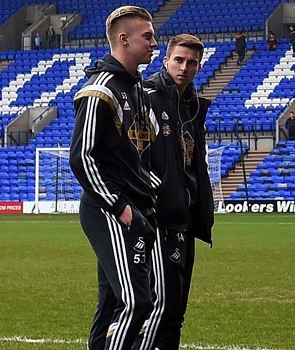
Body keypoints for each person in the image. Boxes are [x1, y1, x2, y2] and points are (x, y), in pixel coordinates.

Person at [69, 6, 159, 350]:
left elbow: (139, 158)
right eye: (147, 36)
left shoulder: (137, 90)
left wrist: (152, 194)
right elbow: (82, 156)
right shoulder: (100, 89)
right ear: (123, 39)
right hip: (110, 210)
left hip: (136, 209)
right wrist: (119, 206)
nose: (154, 43)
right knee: (138, 302)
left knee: (110, 306)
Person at [137, 33, 214, 350]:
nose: (184, 67)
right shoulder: (147, 97)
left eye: (192, 62)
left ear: (198, 67)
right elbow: (134, 156)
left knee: (177, 311)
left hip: (185, 217)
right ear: (165, 59)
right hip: (158, 218)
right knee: (162, 306)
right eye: (178, 60)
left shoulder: (193, 107)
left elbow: (194, 162)